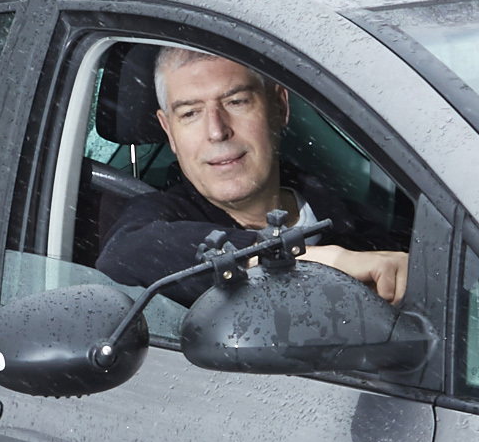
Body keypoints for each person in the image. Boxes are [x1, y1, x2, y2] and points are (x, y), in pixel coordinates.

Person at [93, 46, 409, 302]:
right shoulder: (158, 219)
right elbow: (126, 254)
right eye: (190, 113)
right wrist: (319, 264)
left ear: (279, 107)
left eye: (237, 101)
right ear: (169, 132)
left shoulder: (350, 222)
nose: (216, 131)